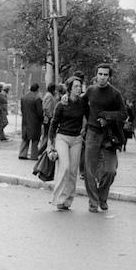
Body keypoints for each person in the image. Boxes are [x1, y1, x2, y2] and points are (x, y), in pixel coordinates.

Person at [81, 63, 127, 213]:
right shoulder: (90, 90)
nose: (102, 77)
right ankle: (93, 202)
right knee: (89, 170)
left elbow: (123, 114)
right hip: (92, 134)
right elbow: (81, 106)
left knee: (110, 170)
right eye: (100, 74)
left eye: (105, 75)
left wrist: (107, 117)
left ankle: (102, 196)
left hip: (109, 136)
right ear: (96, 75)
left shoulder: (115, 94)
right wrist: (66, 98)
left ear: (109, 77)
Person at [49, 76, 88, 210]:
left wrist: (85, 129)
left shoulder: (83, 103)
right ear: (70, 88)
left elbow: (89, 117)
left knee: (72, 171)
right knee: (64, 167)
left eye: (80, 86)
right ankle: (58, 199)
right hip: (62, 138)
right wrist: (50, 143)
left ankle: (67, 201)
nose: (79, 89)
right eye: (76, 86)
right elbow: (53, 124)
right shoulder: (62, 104)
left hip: (76, 139)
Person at [18, 83, 44, 160]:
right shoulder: (37, 98)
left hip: (25, 120)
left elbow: (22, 109)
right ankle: (34, 155)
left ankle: (22, 153)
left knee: (25, 137)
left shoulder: (23, 97)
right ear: (37, 90)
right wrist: (42, 119)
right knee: (35, 139)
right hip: (35, 122)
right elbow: (40, 112)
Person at [40, 83, 57, 153]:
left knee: (46, 135)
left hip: (47, 118)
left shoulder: (48, 95)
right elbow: (47, 108)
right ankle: (41, 150)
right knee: (47, 135)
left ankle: (41, 149)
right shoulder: (49, 96)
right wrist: (50, 117)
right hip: (48, 119)